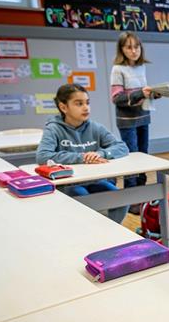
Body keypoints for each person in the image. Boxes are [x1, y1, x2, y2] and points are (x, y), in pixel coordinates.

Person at [36, 83, 129, 223]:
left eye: (87, 103)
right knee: (83, 197)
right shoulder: (53, 129)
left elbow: (122, 147)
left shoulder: (95, 127)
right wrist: (83, 157)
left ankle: (109, 234)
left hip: (94, 180)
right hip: (68, 184)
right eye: (79, 104)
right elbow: (43, 156)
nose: (86, 107)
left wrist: (101, 154)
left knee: (120, 199)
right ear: (63, 107)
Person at [110, 31, 159, 215]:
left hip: (143, 116)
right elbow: (117, 98)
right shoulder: (117, 69)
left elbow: (140, 94)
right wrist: (141, 93)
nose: (134, 51)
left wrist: (153, 94)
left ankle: (143, 194)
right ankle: (131, 199)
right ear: (122, 49)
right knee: (132, 157)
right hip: (127, 120)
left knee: (143, 155)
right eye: (129, 47)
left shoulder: (141, 67)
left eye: (136, 47)